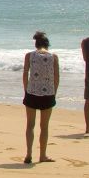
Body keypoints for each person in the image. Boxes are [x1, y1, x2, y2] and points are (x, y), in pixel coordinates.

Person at [22, 31, 60, 164]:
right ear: (47, 45)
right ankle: (42, 155)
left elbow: (25, 73)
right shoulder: (53, 57)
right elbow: (56, 77)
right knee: (44, 126)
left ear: (36, 44)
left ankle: (28, 154)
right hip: (47, 94)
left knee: (30, 125)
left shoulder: (29, 56)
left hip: (32, 92)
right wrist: (54, 92)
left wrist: (26, 89)